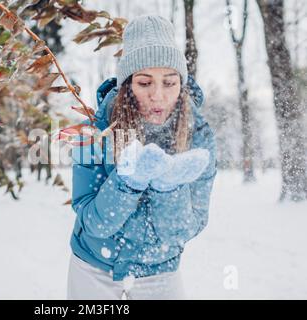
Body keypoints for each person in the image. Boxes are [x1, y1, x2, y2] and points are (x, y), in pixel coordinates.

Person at [67, 14, 217, 300]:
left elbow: (183, 231)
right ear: (127, 85)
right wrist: (128, 182)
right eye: (145, 83)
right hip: (94, 267)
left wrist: (168, 187)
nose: (158, 96)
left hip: (159, 269)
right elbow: (94, 223)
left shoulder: (199, 137)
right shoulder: (95, 132)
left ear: (182, 85)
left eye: (169, 83)